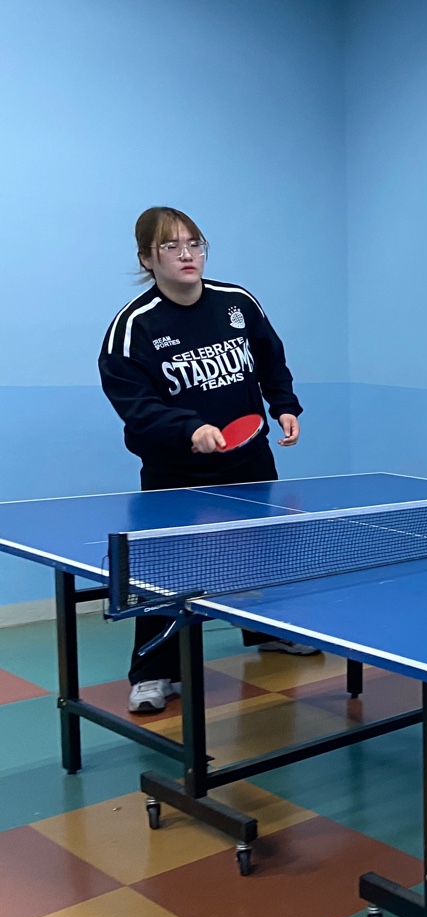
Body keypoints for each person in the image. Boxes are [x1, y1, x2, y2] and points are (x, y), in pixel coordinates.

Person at [99, 207, 315, 714]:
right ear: (146, 259)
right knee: (164, 570)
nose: (186, 254)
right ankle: (154, 672)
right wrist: (188, 429)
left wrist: (284, 406)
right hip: (176, 472)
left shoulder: (236, 303)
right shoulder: (134, 327)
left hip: (249, 461)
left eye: (194, 243)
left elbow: (270, 357)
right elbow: (134, 404)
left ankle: (268, 632)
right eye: (170, 246)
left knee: (263, 552)